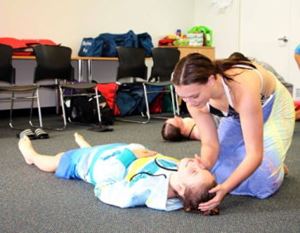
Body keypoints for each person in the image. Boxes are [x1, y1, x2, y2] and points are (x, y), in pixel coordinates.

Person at [171, 52, 295, 212]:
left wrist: (225, 188)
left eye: (194, 96)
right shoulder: (193, 101)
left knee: (263, 182)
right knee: (216, 171)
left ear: (210, 80)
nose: (189, 103)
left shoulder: (242, 87)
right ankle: (269, 158)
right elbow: (210, 143)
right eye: (183, 97)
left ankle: (278, 169)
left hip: (273, 108)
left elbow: (254, 155)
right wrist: (205, 164)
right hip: (236, 114)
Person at [18, 133, 219, 215]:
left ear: (182, 189)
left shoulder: (145, 190)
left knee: (59, 160)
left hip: (91, 164)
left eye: (194, 171)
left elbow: (104, 189)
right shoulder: (179, 175)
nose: (196, 164)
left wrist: (125, 157)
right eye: (202, 168)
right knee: (90, 149)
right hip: (117, 151)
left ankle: (32, 156)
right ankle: (87, 146)